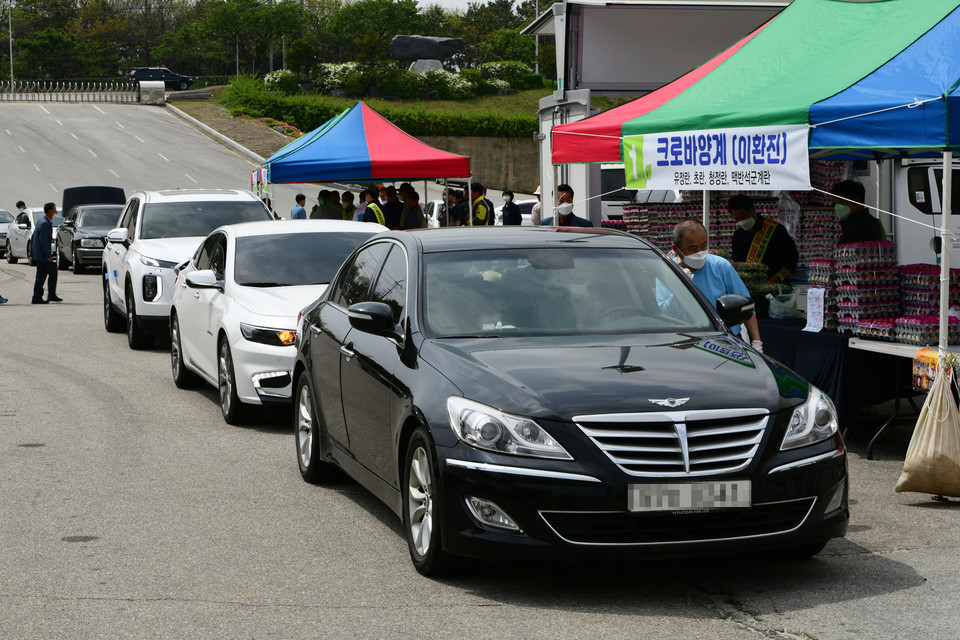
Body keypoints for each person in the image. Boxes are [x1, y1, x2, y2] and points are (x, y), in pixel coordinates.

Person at [672, 218, 761, 351]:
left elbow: (746, 308)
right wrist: (679, 288)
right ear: (676, 249)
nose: (700, 252)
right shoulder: (668, 271)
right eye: (692, 248)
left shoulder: (720, 266)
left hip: (726, 341)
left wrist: (757, 342)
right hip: (687, 343)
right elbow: (663, 311)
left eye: (704, 245)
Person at [728, 194, 799, 283]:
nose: (741, 222)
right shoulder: (738, 236)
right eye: (737, 219)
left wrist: (780, 276)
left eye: (743, 217)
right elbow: (737, 262)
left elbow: (792, 257)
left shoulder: (775, 229)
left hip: (775, 286)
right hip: (750, 287)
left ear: (753, 208)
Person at [833, 180, 884, 245]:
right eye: (835, 203)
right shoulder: (871, 221)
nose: (836, 207)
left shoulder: (858, 228)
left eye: (841, 202)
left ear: (855, 202)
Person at [31, 202, 61, 304]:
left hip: (41, 254)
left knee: (53, 272)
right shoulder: (45, 223)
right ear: (50, 211)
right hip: (43, 256)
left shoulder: (43, 221)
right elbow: (43, 242)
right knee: (41, 276)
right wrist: (48, 255)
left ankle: (52, 295)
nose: (56, 212)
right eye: (55, 209)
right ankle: (36, 297)